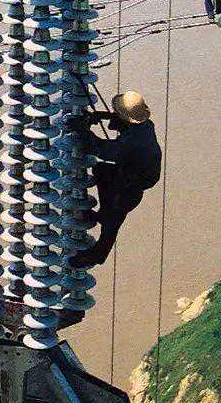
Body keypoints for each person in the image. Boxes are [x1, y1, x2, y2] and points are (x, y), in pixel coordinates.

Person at [69, 91, 162, 269]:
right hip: (130, 174)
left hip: (131, 186)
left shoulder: (132, 142)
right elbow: (120, 120)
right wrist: (99, 116)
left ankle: (98, 255)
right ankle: (104, 213)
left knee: (112, 222)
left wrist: (82, 130)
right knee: (102, 170)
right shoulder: (145, 125)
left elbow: (101, 149)